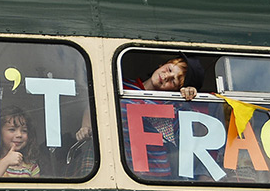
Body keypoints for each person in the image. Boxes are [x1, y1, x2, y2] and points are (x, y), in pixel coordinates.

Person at [75, 54, 204, 141]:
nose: (165, 77)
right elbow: (94, 105)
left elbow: (188, 131)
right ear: (162, 64)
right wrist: (86, 127)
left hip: (155, 167)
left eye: (173, 81)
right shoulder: (121, 84)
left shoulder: (170, 105)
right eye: (169, 70)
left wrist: (186, 96)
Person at [0, 106, 40, 178]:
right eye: (12, 129)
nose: (19, 135)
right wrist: (6, 162)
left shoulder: (31, 166)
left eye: (24, 131)